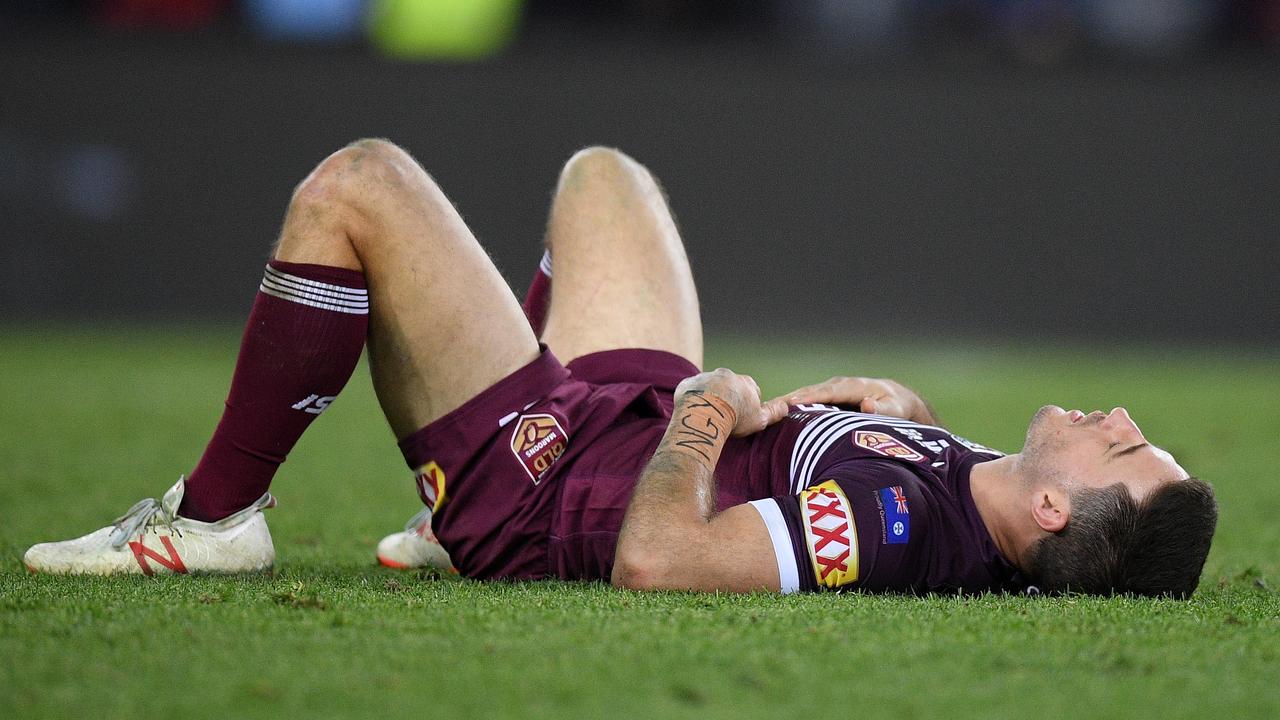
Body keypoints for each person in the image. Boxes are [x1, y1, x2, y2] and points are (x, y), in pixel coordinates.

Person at [23, 141, 1218, 597]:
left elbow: (658, 560)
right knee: (608, 178)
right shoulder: (966, 485)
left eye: (1120, 441)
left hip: (547, 488)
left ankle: (217, 517)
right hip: (620, 419)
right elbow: (890, 469)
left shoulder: (892, 527)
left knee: (355, 188)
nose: (1115, 413)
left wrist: (703, 415)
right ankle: (434, 505)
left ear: (1056, 506)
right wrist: (903, 408)